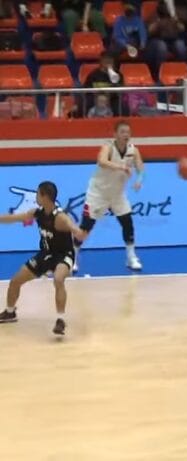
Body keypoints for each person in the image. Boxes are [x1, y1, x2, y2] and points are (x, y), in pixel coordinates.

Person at [0, 181, 85, 336]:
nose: (36, 197)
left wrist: (77, 231)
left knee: (58, 279)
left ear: (45, 197)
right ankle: (10, 312)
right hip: (46, 254)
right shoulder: (37, 213)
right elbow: (14, 218)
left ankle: (60, 320)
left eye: (38, 194)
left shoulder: (60, 217)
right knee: (15, 281)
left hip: (63, 255)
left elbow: (71, 226)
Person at [73, 120, 144, 272]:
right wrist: (121, 167)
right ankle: (72, 256)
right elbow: (101, 161)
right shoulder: (108, 147)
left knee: (128, 223)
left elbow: (140, 168)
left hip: (117, 194)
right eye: (122, 132)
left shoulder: (133, 150)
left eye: (128, 132)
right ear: (115, 134)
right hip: (98, 194)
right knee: (86, 227)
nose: (126, 135)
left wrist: (139, 180)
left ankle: (131, 257)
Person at [145, 0, 187, 78]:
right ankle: (158, 73)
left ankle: (180, 72)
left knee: (180, 45)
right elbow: (149, 32)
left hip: (172, 40)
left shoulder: (173, 17)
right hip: (156, 40)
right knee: (162, 47)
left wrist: (176, 21)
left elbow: (182, 29)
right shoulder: (154, 16)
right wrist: (158, 23)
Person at [83, 52, 123, 117]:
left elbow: (120, 90)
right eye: (106, 61)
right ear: (101, 61)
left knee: (121, 106)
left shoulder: (118, 75)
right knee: (86, 103)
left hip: (112, 98)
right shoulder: (93, 74)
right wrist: (98, 96)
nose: (108, 63)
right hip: (95, 98)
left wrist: (114, 80)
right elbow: (87, 89)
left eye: (110, 61)